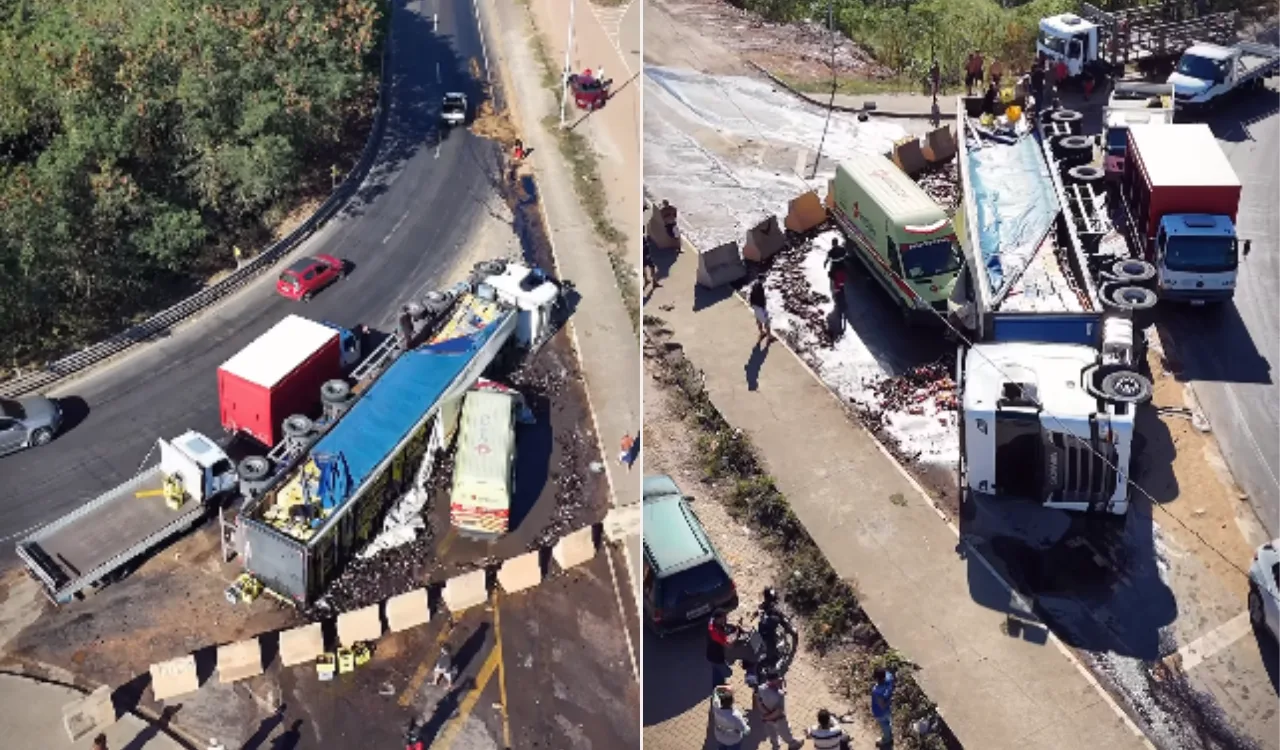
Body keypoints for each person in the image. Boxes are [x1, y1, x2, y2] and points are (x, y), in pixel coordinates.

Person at [755, 671, 804, 750]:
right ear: (774, 680)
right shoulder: (779, 694)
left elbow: (758, 700)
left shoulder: (761, 688)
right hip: (777, 718)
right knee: (785, 731)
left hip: (765, 716)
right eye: (777, 678)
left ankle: (776, 746)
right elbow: (779, 710)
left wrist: (765, 715)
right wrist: (769, 717)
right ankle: (792, 744)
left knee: (772, 733)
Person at [707, 612, 739, 686]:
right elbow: (729, 646)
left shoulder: (712, 622)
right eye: (723, 618)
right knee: (728, 673)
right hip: (716, 657)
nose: (725, 620)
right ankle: (718, 686)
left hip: (710, 655)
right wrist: (736, 636)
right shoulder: (715, 632)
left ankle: (717, 685)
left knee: (716, 673)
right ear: (718, 619)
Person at [871, 667, 897, 748]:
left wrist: (886, 702)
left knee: (884, 725)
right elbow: (890, 674)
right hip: (888, 709)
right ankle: (889, 734)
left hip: (880, 712)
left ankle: (887, 739)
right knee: (888, 722)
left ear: (875, 678)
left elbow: (881, 705)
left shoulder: (876, 691)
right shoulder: (889, 678)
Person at [749, 275, 771, 341]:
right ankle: (769, 337)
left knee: (758, 320)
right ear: (761, 279)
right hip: (760, 307)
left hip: (755, 306)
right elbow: (761, 299)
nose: (765, 281)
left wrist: (752, 304)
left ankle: (761, 333)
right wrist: (764, 307)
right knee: (767, 321)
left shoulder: (754, 284)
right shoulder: (760, 287)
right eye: (764, 279)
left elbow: (751, 295)